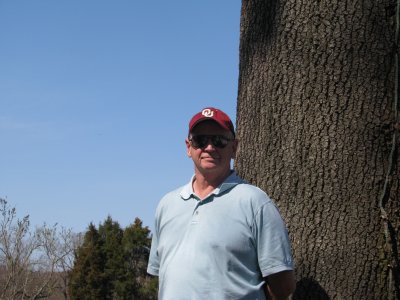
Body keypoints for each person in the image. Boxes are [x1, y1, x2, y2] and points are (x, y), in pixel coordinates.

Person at [147, 107, 295, 299]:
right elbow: (163, 277)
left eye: (219, 141)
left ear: (234, 148)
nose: (209, 147)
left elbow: (282, 285)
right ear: (188, 147)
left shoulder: (255, 203)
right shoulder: (166, 205)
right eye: (201, 140)